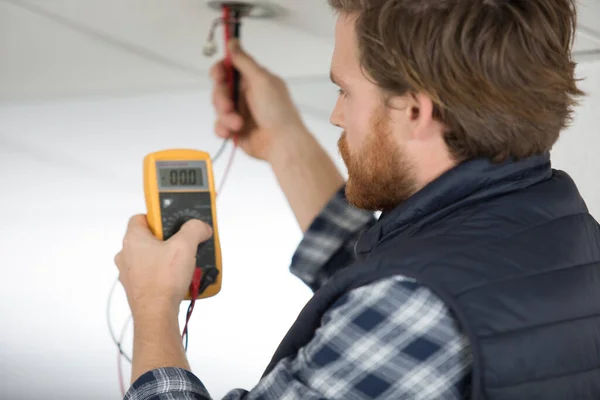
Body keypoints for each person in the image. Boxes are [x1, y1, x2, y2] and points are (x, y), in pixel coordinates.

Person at [114, 0, 600, 399]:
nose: (336, 115)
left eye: (345, 90)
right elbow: (403, 272)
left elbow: (403, 302)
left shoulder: (413, 307)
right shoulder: (562, 232)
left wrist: (154, 308)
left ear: (415, 110)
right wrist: (284, 142)